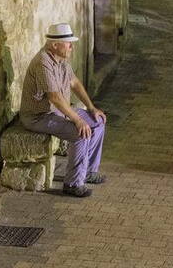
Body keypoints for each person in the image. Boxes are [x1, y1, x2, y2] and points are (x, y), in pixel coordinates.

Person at [19, 23, 107, 198]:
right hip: (39, 116)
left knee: (98, 122)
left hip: (57, 112)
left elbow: (74, 83)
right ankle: (73, 183)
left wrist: (91, 108)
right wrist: (78, 119)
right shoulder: (43, 62)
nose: (71, 47)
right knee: (80, 132)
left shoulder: (61, 61)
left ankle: (88, 170)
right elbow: (55, 98)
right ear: (54, 45)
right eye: (68, 43)